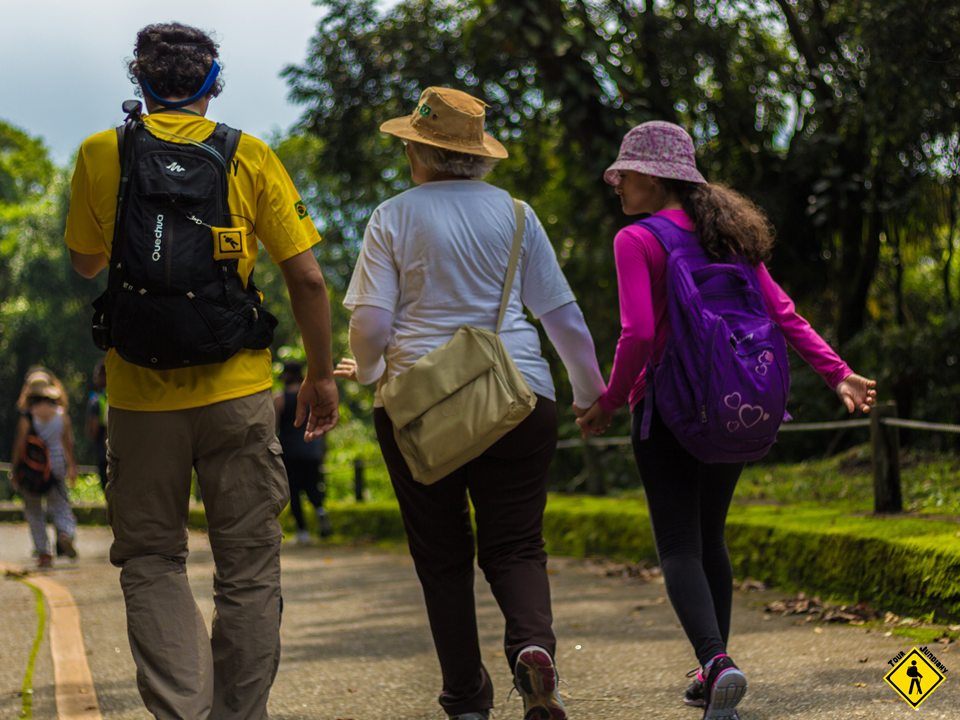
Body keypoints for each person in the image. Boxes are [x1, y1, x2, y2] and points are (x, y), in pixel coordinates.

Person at [64, 23, 339, 720]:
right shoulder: (250, 154)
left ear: (141, 84)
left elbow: (87, 262)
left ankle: (182, 712)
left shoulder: (101, 151)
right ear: (213, 83)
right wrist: (319, 376)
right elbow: (306, 280)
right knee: (247, 570)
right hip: (240, 393)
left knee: (153, 561)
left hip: (137, 396)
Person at [576, 121, 877, 720]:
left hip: (667, 408)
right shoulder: (725, 235)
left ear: (653, 177)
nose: (619, 188)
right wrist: (837, 372)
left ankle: (716, 662)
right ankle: (713, 673)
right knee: (711, 536)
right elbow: (783, 312)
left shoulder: (636, 240)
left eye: (625, 176)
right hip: (736, 404)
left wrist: (608, 401)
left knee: (679, 545)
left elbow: (636, 333)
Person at [335, 86, 605, 720]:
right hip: (519, 394)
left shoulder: (393, 216)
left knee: (442, 556)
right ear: (478, 155)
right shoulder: (517, 215)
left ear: (417, 152)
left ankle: (465, 700)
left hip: (420, 406)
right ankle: (534, 649)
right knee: (517, 545)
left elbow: (371, 327)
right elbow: (562, 319)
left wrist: (369, 371)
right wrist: (591, 394)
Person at [10, 368, 79, 567]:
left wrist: (15, 472)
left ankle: (44, 552)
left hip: (32, 468)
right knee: (60, 505)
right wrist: (72, 467)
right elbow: (68, 444)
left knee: (33, 510)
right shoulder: (61, 414)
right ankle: (65, 533)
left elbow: (19, 445)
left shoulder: (27, 416)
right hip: (56, 466)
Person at [274, 361, 333, 543]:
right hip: (312, 449)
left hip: (290, 451)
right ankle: (320, 510)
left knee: (294, 491)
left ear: (286, 375)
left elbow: (274, 428)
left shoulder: (279, 398)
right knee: (313, 486)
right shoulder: (314, 396)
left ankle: (302, 532)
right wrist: (322, 448)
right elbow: (324, 424)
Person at [86, 360, 108, 493]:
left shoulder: (96, 400)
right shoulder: (117, 397)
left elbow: (92, 431)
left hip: (103, 454)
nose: (95, 378)